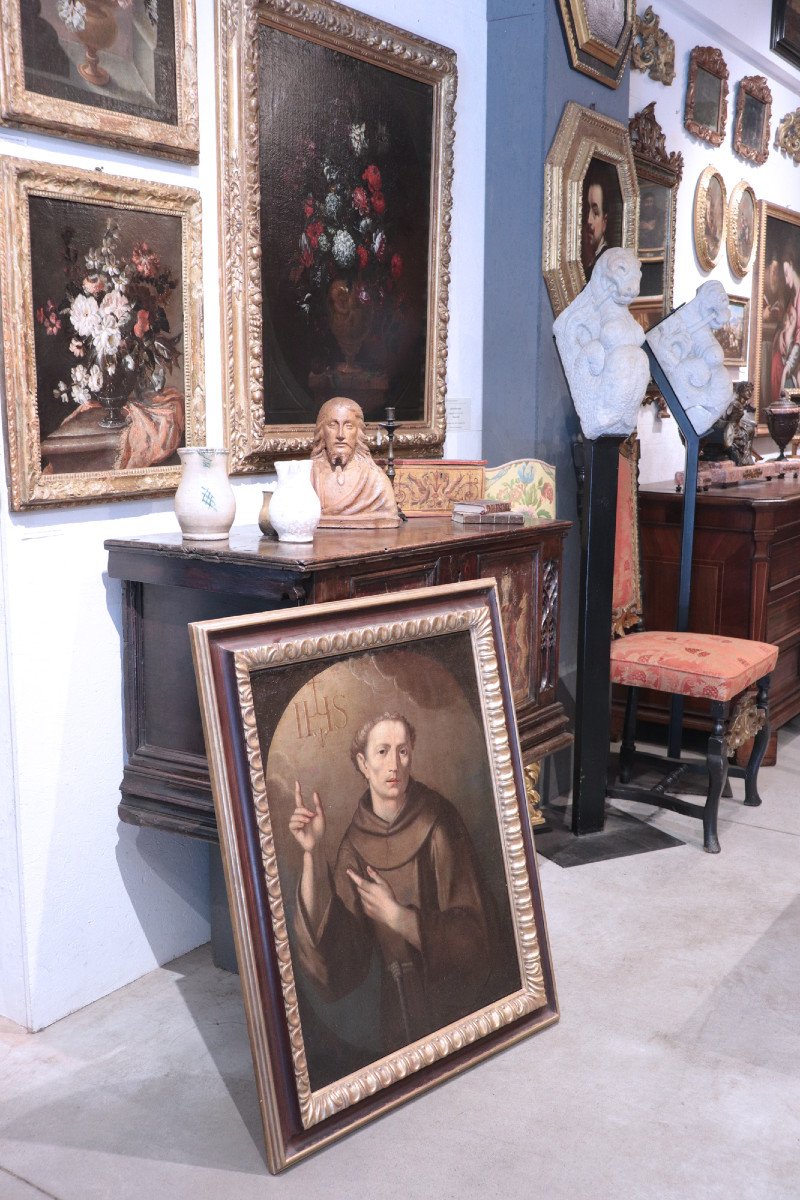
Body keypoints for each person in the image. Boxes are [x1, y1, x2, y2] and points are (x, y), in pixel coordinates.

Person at [289, 712, 500, 1053]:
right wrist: (312, 856)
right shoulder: (354, 846)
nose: (394, 765)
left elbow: (478, 938)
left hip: (451, 1002)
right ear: (362, 762)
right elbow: (339, 965)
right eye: (383, 752)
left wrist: (399, 918)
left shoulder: (439, 821)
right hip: (397, 1013)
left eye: (402, 751)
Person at [310, 395, 400, 528]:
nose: (340, 435)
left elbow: (389, 514)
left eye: (349, 426)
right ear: (321, 431)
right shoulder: (307, 477)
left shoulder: (375, 480)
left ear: (358, 432)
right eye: (332, 425)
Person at [583, 174, 609, 278]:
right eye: (585, 210)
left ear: (604, 222)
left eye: (595, 212)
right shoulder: (586, 259)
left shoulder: (606, 264)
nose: (589, 220)